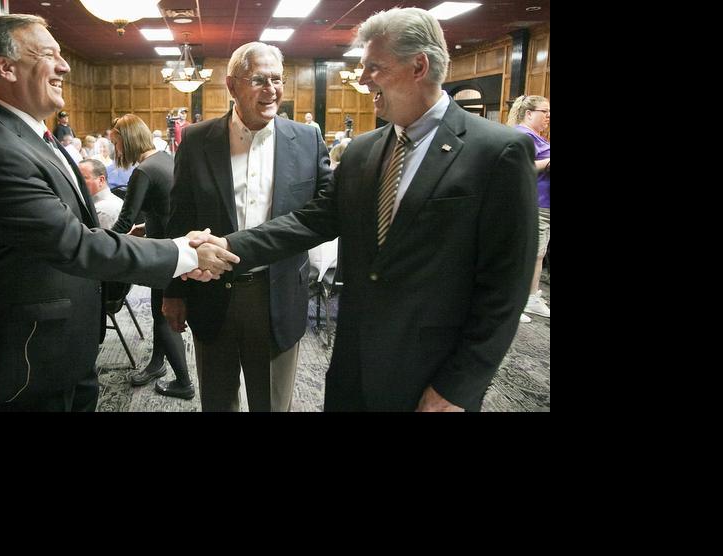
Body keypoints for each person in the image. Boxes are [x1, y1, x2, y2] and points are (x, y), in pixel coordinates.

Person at [187, 7, 537, 412]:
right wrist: (224, 246)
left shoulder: (497, 151)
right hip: (352, 361)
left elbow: (505, 288)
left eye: (374, 67)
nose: (363, 77)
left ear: (418, 66)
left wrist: (459, 386)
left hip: (432, 371)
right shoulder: (362, 152)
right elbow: (309, 221)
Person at [0, 14, 237, 411]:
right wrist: (183, 253)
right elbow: (75, 243)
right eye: (48, 55)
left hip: (58, 345)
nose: (64, 66)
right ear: (6, 67)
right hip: (25, 358)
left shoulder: (25, 133)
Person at [163, 42, 332, 412]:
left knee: (271, 404)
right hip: (211, 296)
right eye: (259, 79)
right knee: (218, 402)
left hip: (279, 293)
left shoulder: (307, 140)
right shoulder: (195, 140)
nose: (271, 89)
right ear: (231, 85)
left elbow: (325, 215)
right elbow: (179, 219)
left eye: (277, 79)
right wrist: (173, 291)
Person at [109, 114, 195, 399]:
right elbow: (167, 207)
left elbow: (123, 223)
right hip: (175, 245)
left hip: (165, 254)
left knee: (162, 316)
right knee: (161, 308)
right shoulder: (165, 159)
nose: (116, 151)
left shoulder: (143, 171)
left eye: (116, 144)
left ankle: (183, 383)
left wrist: (95, 244)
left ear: (127, 140)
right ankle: (157, 365)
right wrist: (148, 226)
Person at [506, 95, 551, 321]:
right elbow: (518, 168)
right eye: (545, 112)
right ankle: (515, 301)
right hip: (533, 203)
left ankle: (530, 297)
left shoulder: (536, 137)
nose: (548, 117)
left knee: (537, 254)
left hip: (543, 204)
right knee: (528, 253)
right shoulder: (522, 135)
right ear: (529, 113)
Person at [78, 158, 122, 230]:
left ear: (101, 180)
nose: (78, 182)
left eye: (83, 178)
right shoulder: (115, 201)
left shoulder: (103, 211)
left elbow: (102, 240)